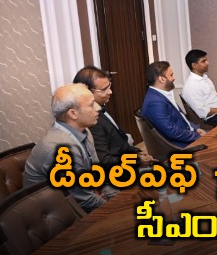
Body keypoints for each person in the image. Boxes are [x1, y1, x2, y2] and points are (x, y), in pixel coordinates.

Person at [23, 83, 119, 213]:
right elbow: (84, 200)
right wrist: (118, 209)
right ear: (73, 114)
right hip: (56, 213)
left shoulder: (84, 130)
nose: (98, 108)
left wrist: (117, 198)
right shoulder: (61, 149)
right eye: (91, 105)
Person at [73, 65, 155, 169]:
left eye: (109, 86)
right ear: (86, 92)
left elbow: (119, 141)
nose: (110, 92)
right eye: (104, 89)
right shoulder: (91, 120)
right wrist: (137, 160)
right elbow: (105, 161)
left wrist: (137, 152)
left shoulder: (101, 107)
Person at [141, 61, 207, 148]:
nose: (174, 78)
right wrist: (197, 136)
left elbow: (181, 118)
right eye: (171, 75)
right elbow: (172, 132)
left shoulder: (161, 95)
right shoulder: (155, 102)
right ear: (162, 79)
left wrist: (196, 128)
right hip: (180, 146)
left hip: (187, 135)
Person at [182, 49, 217, 128]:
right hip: (213, 117)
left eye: (206, 60)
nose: (207, 63)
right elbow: (202, 112)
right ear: (194, 65)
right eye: (203, 61)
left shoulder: (205, 78)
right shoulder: (191, 86)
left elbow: (213, 100)